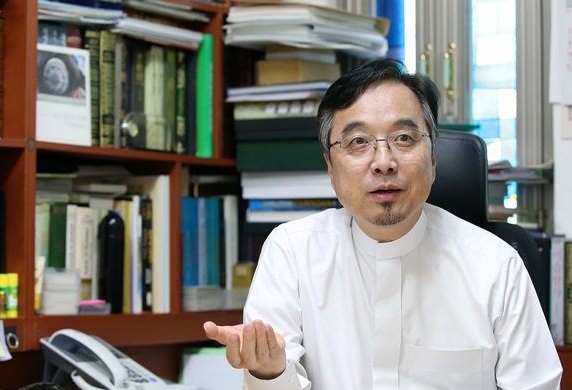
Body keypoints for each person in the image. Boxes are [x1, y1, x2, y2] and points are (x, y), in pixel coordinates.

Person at [204, 58, 562, 389]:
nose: (384, 162)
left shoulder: (497, 267)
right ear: (331, 170)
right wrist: (270, 371)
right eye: (358, 142)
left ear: (433, 161)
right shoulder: (291, 253)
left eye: (404, 138)